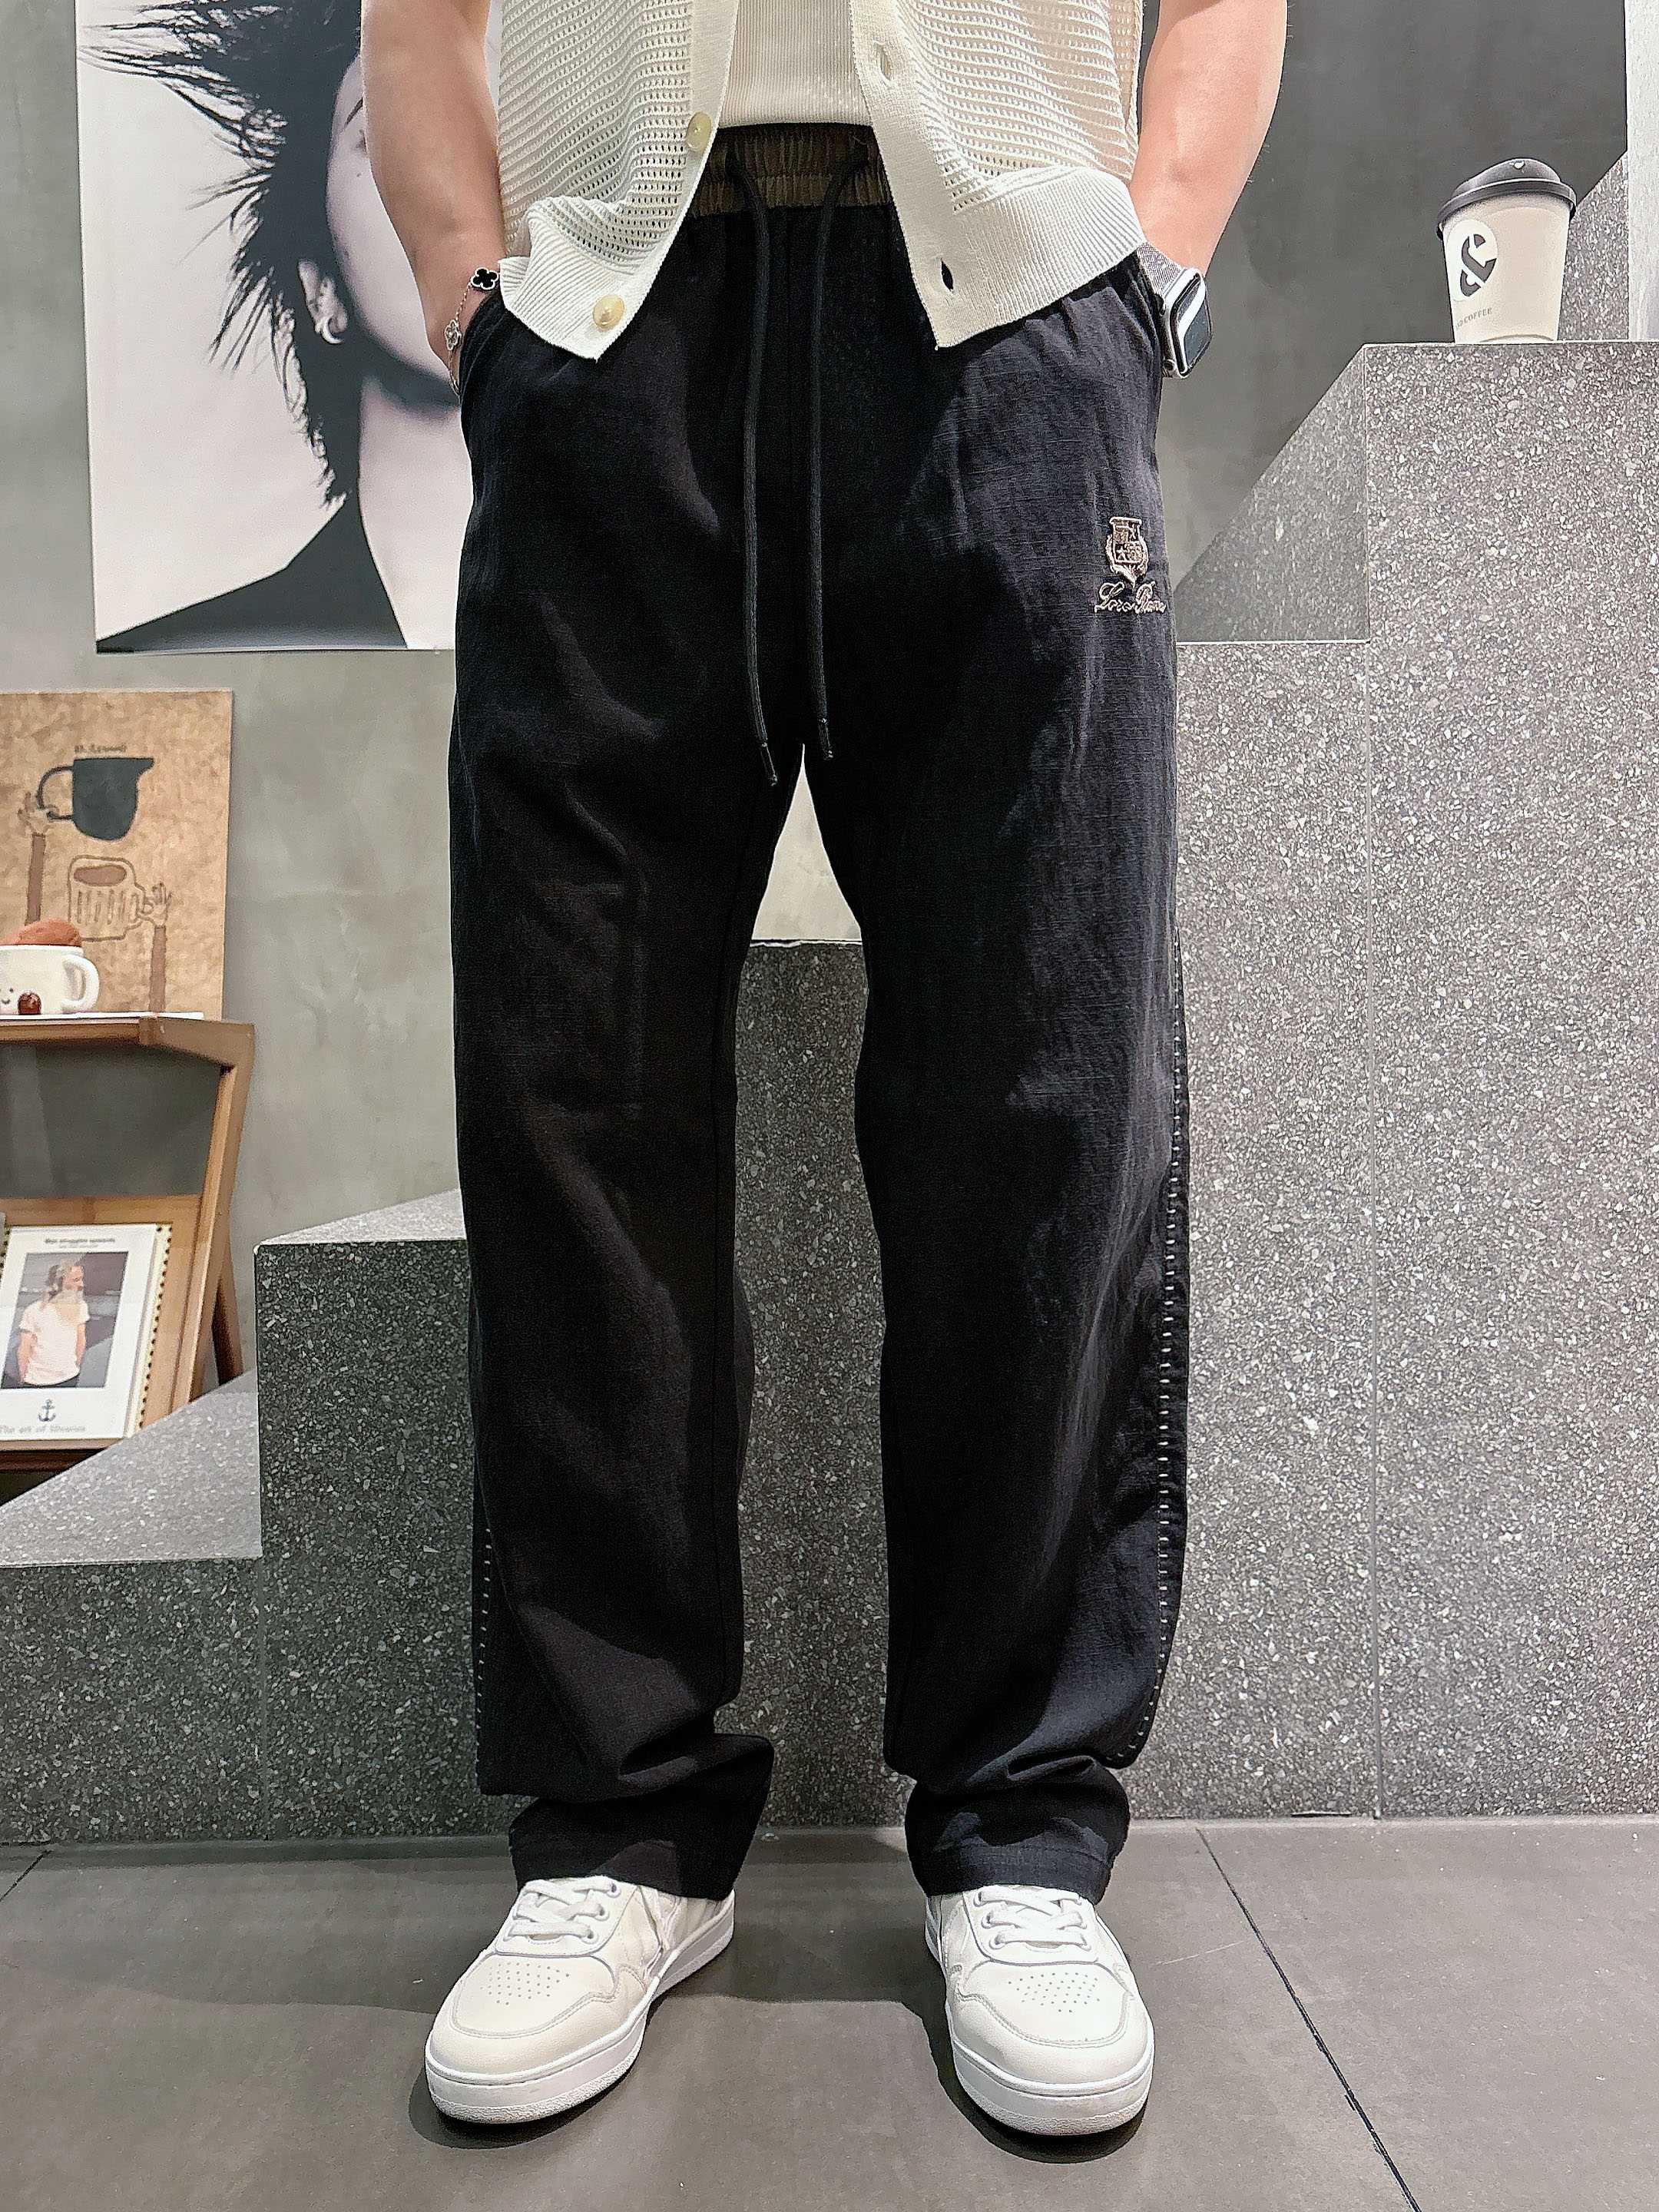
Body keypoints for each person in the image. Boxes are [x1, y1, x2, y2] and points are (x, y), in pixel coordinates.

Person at [364, 0, 1283, 2137]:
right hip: (610, 318)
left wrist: (1145, 264)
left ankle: (1017, 1828)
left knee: (1042, 1097)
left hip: (1013, 320)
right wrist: (476, 306)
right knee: (572, 1093)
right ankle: (621, 1829)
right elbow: (419, 13)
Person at [90, 0, 481, 651]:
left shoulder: (662, 645)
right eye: (395, 133)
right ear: (323, 288)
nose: (462, 187)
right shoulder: (171, 665)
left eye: (507, 128)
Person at [13, 1263, 90, 1389]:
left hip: (69, 1377)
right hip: (36, 1381)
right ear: (60, 1283)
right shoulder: (33, 1310)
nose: (82, 1284)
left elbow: (80, 1339)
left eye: (81, 1279)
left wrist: (75, 1366)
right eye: (76, 1280)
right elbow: (24, 1348)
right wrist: (23, 1377)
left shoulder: (81, 1307)